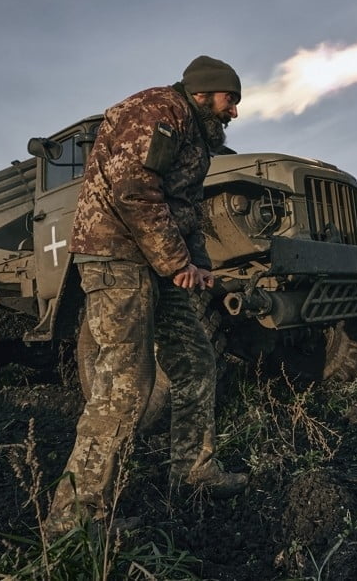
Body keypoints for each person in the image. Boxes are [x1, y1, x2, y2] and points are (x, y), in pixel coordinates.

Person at [46, 56, 248, 533]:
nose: (234, 111)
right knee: (125, 383)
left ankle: (194, 470)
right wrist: (177, 262)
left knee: (197, 362)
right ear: (203, 93)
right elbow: (134, 191)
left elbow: (186, 209)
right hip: (116, 256)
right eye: (230, 99)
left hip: (157, 262)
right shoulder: (159, 111)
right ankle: (73, 517)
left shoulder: (195, 134)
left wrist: (197, 265)